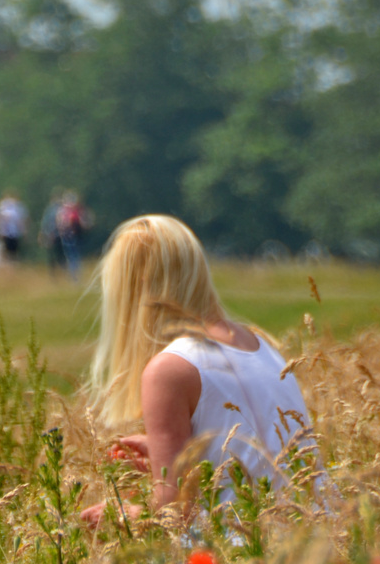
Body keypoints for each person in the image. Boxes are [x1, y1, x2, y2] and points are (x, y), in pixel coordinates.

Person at [80, 214, 323, 524]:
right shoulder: (260, 344)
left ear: (132, 289)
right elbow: (261, 453)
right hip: (323, 535)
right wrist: (166, 449)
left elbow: (176, 511)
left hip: (250, 554)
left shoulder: (169, 370)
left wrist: (121, 516)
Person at [57, 191, 90, 279]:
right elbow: (85, 224)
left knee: (72, 255)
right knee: (75, 255)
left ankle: (74, 275)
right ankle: (75, 274)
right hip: (74, 235)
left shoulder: (64, 211)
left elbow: (60, 224)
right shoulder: (77, 211)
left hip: (68, 236)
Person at [0, 191, 26, 264]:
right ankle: (9, 265)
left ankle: (8, 265)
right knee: (10, 252)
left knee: (9, 252)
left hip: (6, 232)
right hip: (8, 233)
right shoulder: (16, 208)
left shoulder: (3, 207)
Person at [39, 192, 67, 273]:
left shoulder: (50, 210)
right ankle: (62, 269)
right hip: (61, 235)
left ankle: (53, 271)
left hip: (51, 235)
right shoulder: (62, 209)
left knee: (52, 254)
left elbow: (45, 223)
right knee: (60, 254)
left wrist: (43, 233)